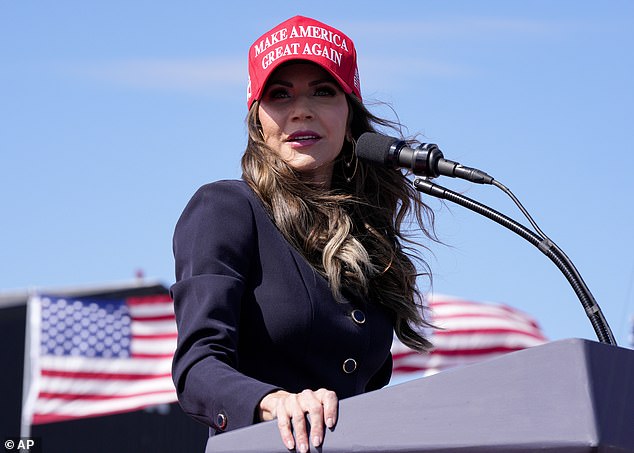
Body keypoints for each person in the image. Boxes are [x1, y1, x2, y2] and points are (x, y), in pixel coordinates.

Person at [170, 15, 436, 453]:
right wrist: (273, 402)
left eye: (322, 91)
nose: (301, 110)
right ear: (258, 121)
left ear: (350, 116)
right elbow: (198, 366)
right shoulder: (226, 208)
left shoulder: (369, 237)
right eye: (280, 95)